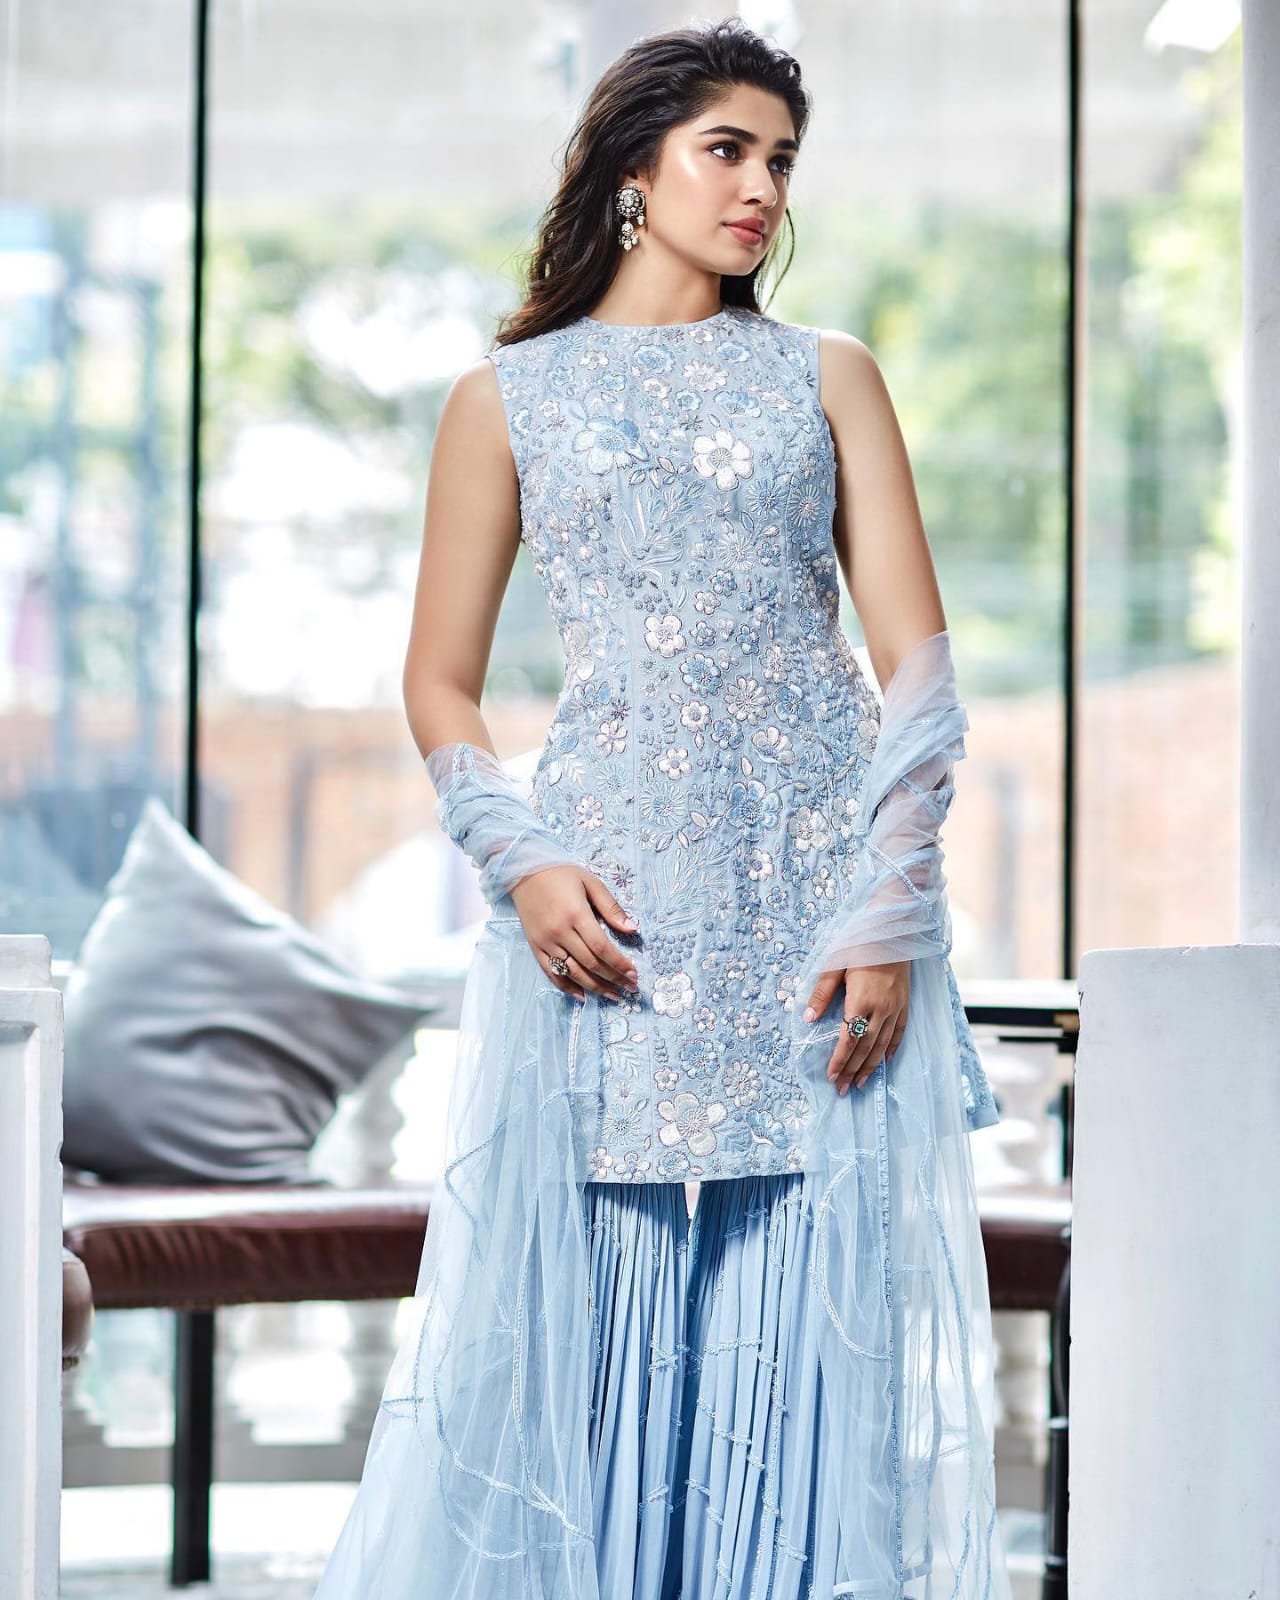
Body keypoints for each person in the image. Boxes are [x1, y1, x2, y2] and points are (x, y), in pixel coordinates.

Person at [314, 17, 1009, 1600]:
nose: (762, 188)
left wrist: (889, 906)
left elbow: (920, 671)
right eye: (728, 150)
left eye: (782, 162)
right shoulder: (505, 398)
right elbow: (438, 682)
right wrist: (522, 863)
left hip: (816, 897)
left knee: (805, 1321)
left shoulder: (831, 376)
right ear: (636, 170)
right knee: (602, 1319)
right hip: (608, 901)